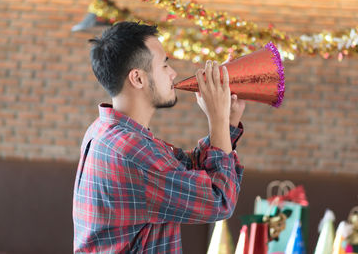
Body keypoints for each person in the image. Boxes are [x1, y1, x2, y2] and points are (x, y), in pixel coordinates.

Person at [73, 21, 246, 253]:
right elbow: (219, 200)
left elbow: (189, 169)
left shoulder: (107, 131)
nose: (173, 73)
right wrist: (217, 119)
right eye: (165, 65)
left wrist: (227, 121)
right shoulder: (130, 150)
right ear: (138, 78)